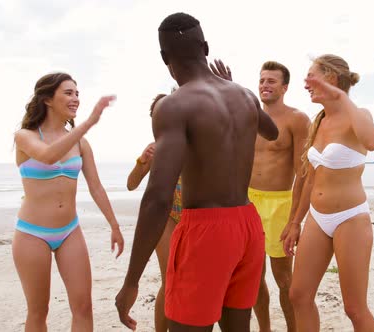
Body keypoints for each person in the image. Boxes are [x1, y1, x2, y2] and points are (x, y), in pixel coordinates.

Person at [115, 12, 278, 332]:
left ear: (165, 58)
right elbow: (271, 132)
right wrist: (236, 89)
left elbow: (157, 198)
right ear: (205, 48)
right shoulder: (244, 94)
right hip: (247, 224)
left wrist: (131, 281)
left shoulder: (175, 106)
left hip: (206, 231)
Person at [13, 72, 124, 332]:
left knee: (83, 307)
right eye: (68, 92)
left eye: (77, 93)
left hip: (69, 231)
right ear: (48, 99)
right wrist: (88, 122)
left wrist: (114, 225)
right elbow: (48, 156)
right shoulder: (25, 136)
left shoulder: (81, 143)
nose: (75, 99)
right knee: (39, 312)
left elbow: (95, 187)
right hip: (32, 234)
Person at [282, 54, 374, 331]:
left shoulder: (358, 116)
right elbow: (311, 180)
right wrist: (294, 222)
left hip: (350, 218)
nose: (305, 84)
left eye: (311, 77)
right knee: (299, 295)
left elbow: (372, 141)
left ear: (332, 79)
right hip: (317, 217)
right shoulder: (319, 122)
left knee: (354, 308)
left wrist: (341, 97)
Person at [246, 61, 309, 332]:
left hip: (280, 204)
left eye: (271, 81)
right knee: (252, 278)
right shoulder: (249, 117)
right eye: (261, 80)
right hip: (247, 202)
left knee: (284, 279)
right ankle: (265, 329)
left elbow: (303, 173)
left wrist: (295, 220)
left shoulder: (297, 119)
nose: (264, 85)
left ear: (284, 87)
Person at [126, 93, 184, 332]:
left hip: (194, 215)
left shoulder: (193, 142)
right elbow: (131, 184)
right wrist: (142, 161)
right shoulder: (154, 149)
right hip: (167, 215)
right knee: (170, 280)